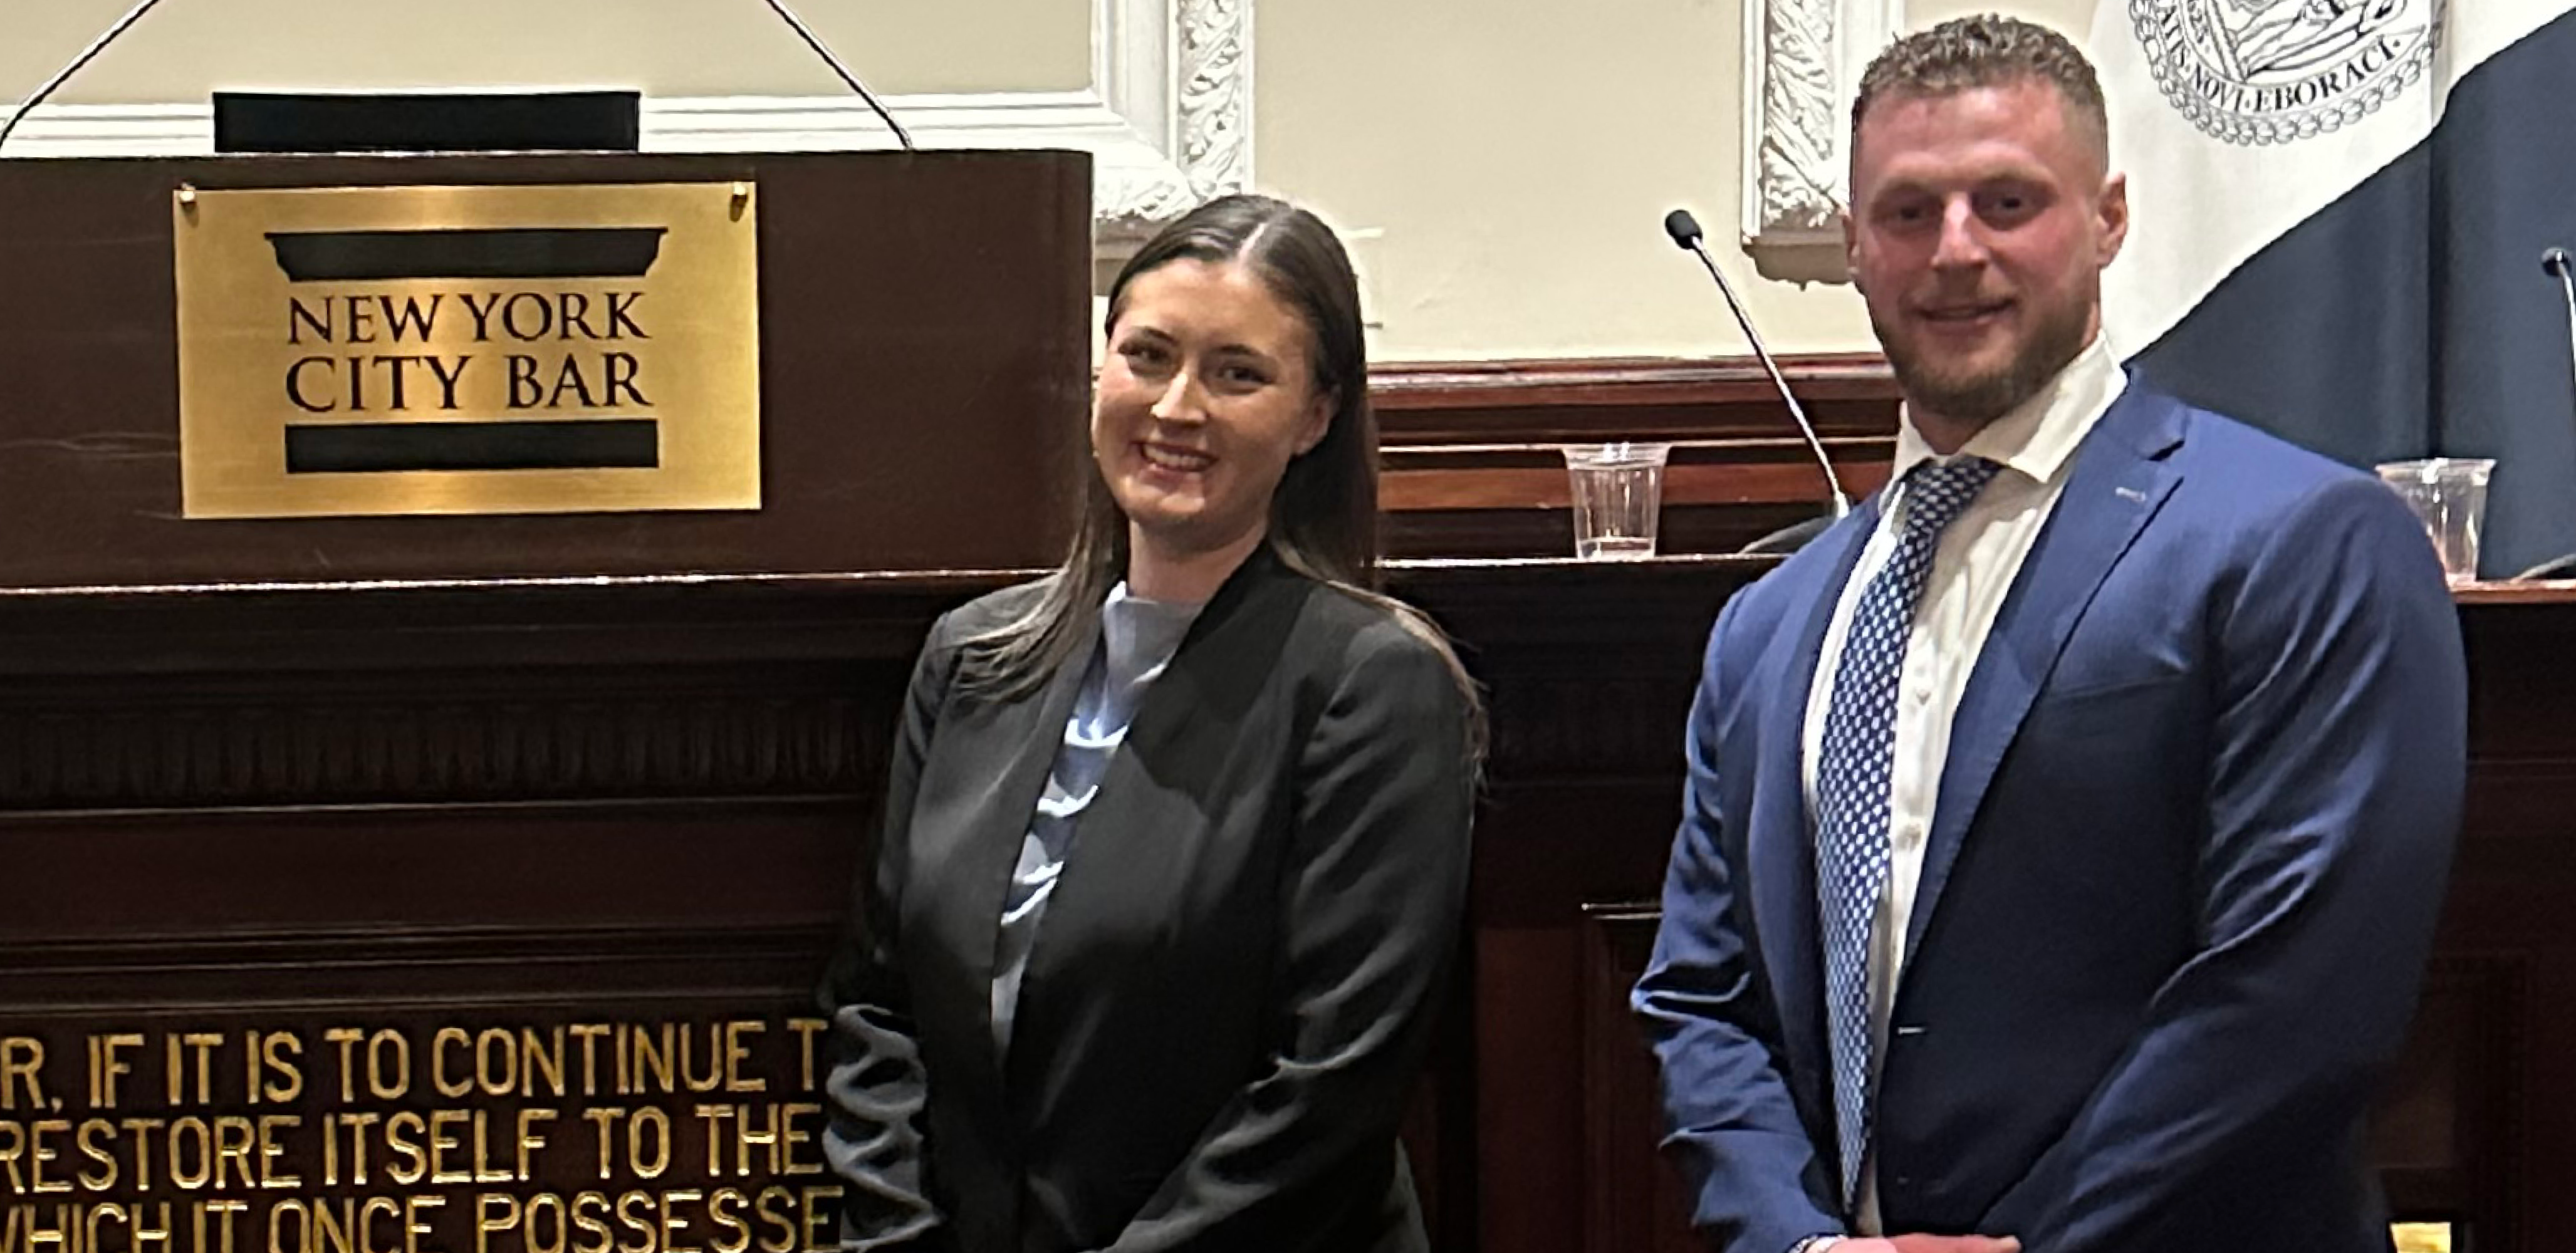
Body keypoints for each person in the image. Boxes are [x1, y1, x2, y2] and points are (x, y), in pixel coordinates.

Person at [1632, 16, 2467, 1253]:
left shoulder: (2304, 544)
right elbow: (1703, 1002)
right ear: (1855, 245)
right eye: (1907, 212)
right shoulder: (1770, 625)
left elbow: (2299, 997)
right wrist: (1798, 1243)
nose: (1954, 251)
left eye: (2007, 201)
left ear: (2109, 219)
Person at [820, 193, 1481, 1253]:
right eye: (1149, 356)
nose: (1177, 408)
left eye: (1238, 374)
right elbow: (877, 1010)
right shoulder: (973, 660)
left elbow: (1329, 1089)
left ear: (1315, 417)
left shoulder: (1374, 686)